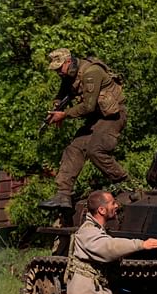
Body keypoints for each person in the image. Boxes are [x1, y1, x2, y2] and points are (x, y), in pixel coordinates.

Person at [39, 48, 129, 209]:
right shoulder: (70, 73)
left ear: (68, 61)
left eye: (60, 68)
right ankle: (63, 195)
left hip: (112, 117)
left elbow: (88, 106)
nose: (58, 72)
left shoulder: (91, 73)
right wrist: (58, 104)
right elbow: (64, 91)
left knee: (96, 150)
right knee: (73, 149)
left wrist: (64, 114)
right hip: (96, 118)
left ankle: (126, 183)